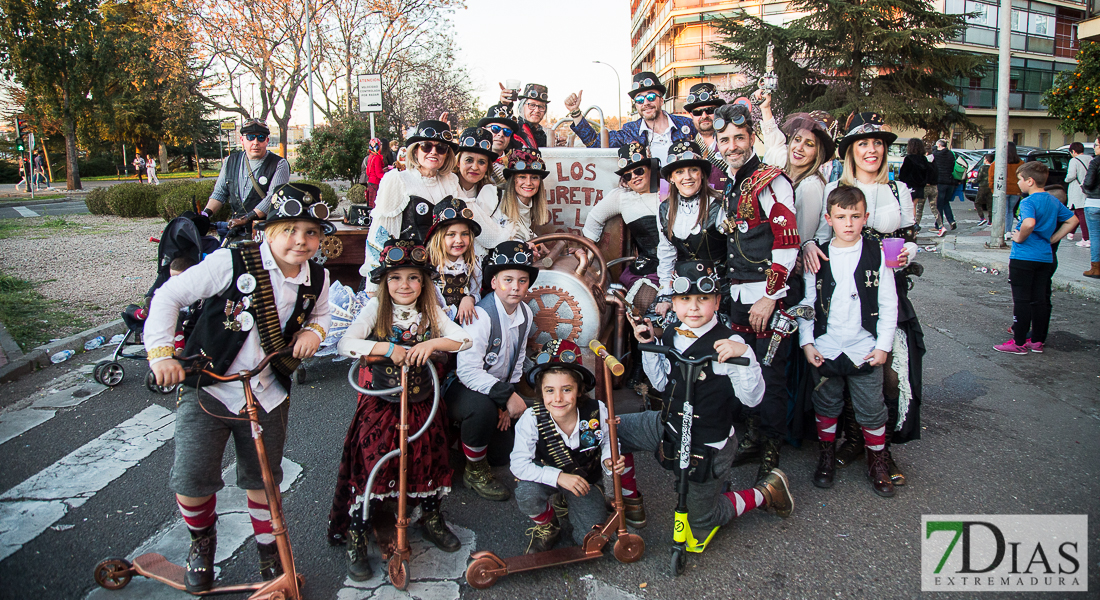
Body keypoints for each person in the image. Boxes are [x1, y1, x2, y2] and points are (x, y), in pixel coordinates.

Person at [145, 183, 332, 592]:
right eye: (290, 229)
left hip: (268, 391)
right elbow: (168, 297)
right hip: (209, 387)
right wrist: (161, 355)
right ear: (269, 230)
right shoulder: (231, 262)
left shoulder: (318, 275)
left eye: (311, 232)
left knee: (263, 481)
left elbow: (321, 314)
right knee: (193, 479)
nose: (301, 240)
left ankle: (269, 557)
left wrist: (315, 334)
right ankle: (202, 544)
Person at [329, 236, 471, 580]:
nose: (404, 285)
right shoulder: (374, 309)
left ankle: (431, 514)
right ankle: (359, 532)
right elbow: (346, 343)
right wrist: (385, 348)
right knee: (373, 456)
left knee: (429, 452)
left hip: (422, 399)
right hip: (381, 400)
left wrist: (434, 342)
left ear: (423, 283)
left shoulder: (430, 311)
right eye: (396, 277)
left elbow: (465, 339)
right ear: (384, 281)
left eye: (413, 278)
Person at [622, 260, 793, 542]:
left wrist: (746, 356)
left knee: (700, 528)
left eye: (703, 299)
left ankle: (766, 492)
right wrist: (650, 344)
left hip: (708, 440)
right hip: (671, 425)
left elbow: (753, 399)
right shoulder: (675, 333)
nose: (693, 307)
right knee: (613, 430)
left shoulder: (730, 342)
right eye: (685, 299)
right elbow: (662, 384)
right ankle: (630, 501)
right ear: (674, 304)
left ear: (717, 302)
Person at [804, 112, 924, 482]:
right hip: (838, 281)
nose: (871, 150)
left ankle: (880, 449)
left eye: (877, 144)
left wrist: (911, 252)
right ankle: (852, 440)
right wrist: (809, 245)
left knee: (885, 375)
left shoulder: (898, 190)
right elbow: (819, 234)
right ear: (851, 151)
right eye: (863, 144)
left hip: (882, 282)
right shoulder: (834, 189)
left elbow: (908, 236)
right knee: (840, 377)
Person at [709, 103, 800, 483]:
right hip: (740, 297)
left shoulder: (772, 181)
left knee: (771, 374)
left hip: (768, 297)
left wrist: (770, 297)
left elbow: (788, 242)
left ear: (751, 139)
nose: (732, 146)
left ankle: (772, 448)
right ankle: (752, 435)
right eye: (725, 139)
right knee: (743, 369)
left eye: (739, 138)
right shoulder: (729, 183)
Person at [797, 186, 900, 497]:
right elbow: (807, 302)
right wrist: (807, 342)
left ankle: (877, 462)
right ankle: (826, 456)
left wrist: (883, 346)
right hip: (826, 346)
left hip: (864, 348)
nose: (849, 223)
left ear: (865, 217)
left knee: (871, 408)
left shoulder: (878, 253)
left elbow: (889, 302)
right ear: (829, 219)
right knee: (827, 403)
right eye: (841, 217)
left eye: (855, 216)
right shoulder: (819, 255)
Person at [511, 339, 628, 553]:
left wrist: (609, 459)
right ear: (540, 392)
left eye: (566, 389)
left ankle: (576, 500)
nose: (557, 398)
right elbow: (518, 465)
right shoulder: (531, 418)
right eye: (549, 390)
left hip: (584, 481)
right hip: (548, 477)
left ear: (580, 390)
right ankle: (548, 525)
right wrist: (558, 477)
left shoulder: (596, 410)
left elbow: (607, 441)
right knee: (526, 493)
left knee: (591, 540)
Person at [446, 241, 539, 501]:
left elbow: (517, 358)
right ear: (495, 282)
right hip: (462, 387)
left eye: (522, 281)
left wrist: (505, 401)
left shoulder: (525, 314)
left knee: (501, 455)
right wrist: (504, 397)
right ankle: (473, 471)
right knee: (481, 409)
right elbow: (467, 372)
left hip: (496, 389)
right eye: (507, 279)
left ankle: (467, 441)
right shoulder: (481, 315)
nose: (515, 287)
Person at [361, 119, 461, 293]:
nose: (434, 152)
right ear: (415, 150)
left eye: (441, 148)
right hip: (407, 275)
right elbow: (380, 232)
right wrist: (373, 285)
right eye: (426, 146)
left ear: (447, 154)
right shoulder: (398, 179)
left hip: (444, 274)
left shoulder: (451, 181)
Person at [994, 162, 1078, 354]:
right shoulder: (1053, 200)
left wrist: (1020, 237)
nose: (1018, 183)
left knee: (1022, 300)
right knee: (1039, 299)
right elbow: (1073, 220)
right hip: (1045, 257)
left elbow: (1029, 223)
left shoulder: (1028, 202)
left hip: (1024, 256)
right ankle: (1037, 341)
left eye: (1020, 179)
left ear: (1030, 181)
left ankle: (1019, 342)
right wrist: (1053, 238)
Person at [653, 140, 727, 321]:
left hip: (721, 289)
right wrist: (665, 293)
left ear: (702, 174)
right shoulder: (665, 209)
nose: (687, 177)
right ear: (671, 178)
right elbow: (666, 253)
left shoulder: (719, 205)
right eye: (679, 172)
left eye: (693, 169)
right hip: (684, 286)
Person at [564, 71, 696, 161]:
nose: (646, 103)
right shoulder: (630, 131)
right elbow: (595, 143)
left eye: (651, 97)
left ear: (661, 100)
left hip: (684, 192)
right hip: (649, 194)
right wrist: (575, 112)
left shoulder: (686, 125)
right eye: (639, 100)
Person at [583, 143, 662, 289]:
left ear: (650, 168)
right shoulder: (621, 197)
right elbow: (594, 217)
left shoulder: (669, 190)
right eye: (628, 175)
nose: (634, 177)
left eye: (639, 171)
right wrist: (588, 252)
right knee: (645, 301)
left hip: (679, 263)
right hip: (649, 268)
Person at [194, 120, 290, 237]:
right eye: (250, 137)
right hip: (235, 228)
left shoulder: (279, 164)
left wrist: (245, 219)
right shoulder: (230, 161)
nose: (255, 142)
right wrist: (205, 214)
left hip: (264, 230)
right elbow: (220, 193)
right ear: (242, 140)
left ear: (267, 141)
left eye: (261, 137)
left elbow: (273, 197)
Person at [469, 148, 550, 259]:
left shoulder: (529, 206)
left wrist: (537, 242)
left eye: (534, 177)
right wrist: (521, 245)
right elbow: (481, 234)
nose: (528, 183)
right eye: (522, 177)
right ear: (512, 180)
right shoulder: (492, 194)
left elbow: (520, 232)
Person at [425, 196, 483, 325]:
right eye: (451, 234)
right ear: (439, 237)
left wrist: (470, 298)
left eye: (464, 234)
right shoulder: (429, 264)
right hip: (434, 321)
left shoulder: (473, 264)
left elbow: (476, 291)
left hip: (463, 320)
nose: (459, 240)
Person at [683, 82, 730, 189]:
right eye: (697, 112)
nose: (704, 116)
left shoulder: (733, 144)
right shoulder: (687, 149)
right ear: (691, 116)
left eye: (710, 110)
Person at [479, 104, 521, 188]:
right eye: (495, 129)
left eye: (507, 132)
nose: (501, 134)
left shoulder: (516, 163)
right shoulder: (472, 159)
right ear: (484, 130)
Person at [453, 127, 498, 202]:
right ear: (458, 162)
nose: (475, 167)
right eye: (469, 160)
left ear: (487, 167)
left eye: (481, 162)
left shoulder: (492, 195)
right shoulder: (445, 186)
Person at [499, 83, 551, 148]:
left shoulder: (542, 135)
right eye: (532, 105)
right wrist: (502, 106)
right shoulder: (513, 130)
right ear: (522, 107)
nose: (537, 110)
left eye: (541, 107)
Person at [989, 141, 1024, 236]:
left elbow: (991, 178)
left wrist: (993, 190)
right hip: (1016, 190)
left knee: (1002, 211)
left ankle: (1002, 231)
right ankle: (1008, 231)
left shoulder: (997, 163)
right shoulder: (1021, 163)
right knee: (1010, 211)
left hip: (1001, 190)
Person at [1065, 142, 1092, 247]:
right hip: (1088, 189)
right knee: (1078, 212)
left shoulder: (1074, 160)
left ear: (1073, 151)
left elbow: (1071, 175)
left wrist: (1066, 179)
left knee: (1081, 213)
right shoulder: (1090, 159)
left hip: (1077, 189)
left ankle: (1086, 239)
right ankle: (1071, 233)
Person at [898, 139, 930, 225]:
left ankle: (910, 225)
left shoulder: (908, 159)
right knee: (913, 206)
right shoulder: (924, 159)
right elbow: (927, 173)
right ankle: (913, 225)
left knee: (907, 206)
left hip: (909, 186)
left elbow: (903, 174)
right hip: (920, 187)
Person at [931, 139, 958, 235]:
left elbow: (932, 157)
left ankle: (939, 225)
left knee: (938, 204)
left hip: (940, 182)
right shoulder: (951, 154)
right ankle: (951, 220)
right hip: (950, 182)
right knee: (945, 202)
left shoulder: (936, 155)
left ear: (938, 145)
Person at [1083, 136, 1100, 278]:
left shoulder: (1095, 162)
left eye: (1096, 145)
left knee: (1095, 236)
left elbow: (1088, 183)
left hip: (1095, 202)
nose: (1094, 148)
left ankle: (1096, 267)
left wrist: (1085, 189)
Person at [362, 138, 384, 208]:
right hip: (376, 183)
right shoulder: (377, 157)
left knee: (371, 205)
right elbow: (378, 174)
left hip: (370, 182)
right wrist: (388, 176)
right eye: (380, 145)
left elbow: (368, 171)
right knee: (375, 205)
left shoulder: (371, 156)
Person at [974, 154, 994, 227]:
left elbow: (979, 178)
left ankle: (982, 217)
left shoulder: (982, 167)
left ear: (986, 160)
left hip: (982, 186)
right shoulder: (993, 167)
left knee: (977, 202)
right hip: (991, 187)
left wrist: (973, 181)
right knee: (990, 204)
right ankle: (991, 221)